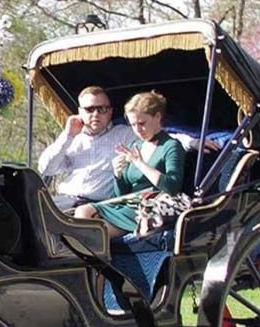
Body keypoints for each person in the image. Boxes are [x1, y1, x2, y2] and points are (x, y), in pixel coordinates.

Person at [76, 90, 185, 239]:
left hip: (148, 208)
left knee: (93, 234)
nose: (138, 130)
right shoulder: (136, 144)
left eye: (142, 123)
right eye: (133, 125)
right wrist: (118, 174)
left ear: (157, 117)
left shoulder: (170, 146)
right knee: (82, 212)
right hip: (127, 205)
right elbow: (121, 194)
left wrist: (140, 164)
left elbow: (172, 186)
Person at [35, 85, 134, 210]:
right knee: (26, 209)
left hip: (99, 204)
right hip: (66, 199)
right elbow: (46, 169)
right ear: (80, 112)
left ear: (110, 112)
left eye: (102, 109)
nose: (96, 114)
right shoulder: (72, 138)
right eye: (89, 109)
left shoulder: (126, 134)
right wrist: (67, 136)